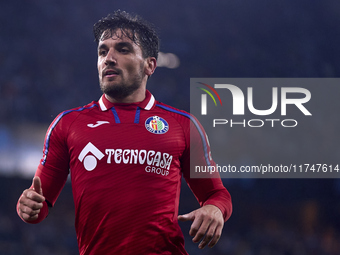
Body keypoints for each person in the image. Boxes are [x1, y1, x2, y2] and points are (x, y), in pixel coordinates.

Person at [17, 10, 232, 255]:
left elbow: (217, 194)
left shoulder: (183, 125)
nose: (109, 58)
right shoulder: (68, 124)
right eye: (102, 51)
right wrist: (28, 207)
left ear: (150, 65)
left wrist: (215, 209)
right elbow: (38, 203)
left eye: (123, 49)